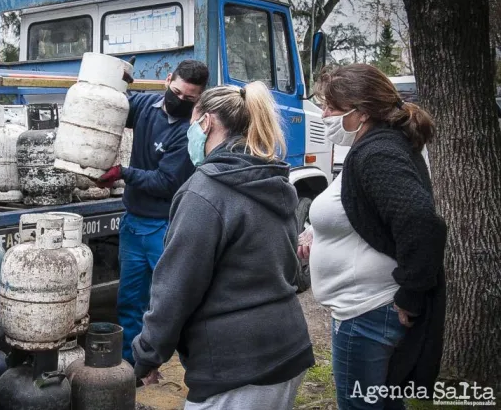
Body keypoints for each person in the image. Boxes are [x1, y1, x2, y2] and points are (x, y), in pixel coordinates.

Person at [132, 81, 315, 409]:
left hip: (238, 366)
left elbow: (175, 290)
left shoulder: (204, 192)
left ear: (207, 122)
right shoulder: (273, 178)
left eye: (192, 123)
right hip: (288, 348)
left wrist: (146, 356)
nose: (190, 133)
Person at [298, 64, 447, 410]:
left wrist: (410, 294)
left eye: (332, 108)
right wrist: (317, 233)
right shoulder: (372, 145)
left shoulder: (379, 153)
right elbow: (366, 213)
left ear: (361, 112)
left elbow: (422, 223)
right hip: (368, 311)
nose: (323, 115)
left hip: (367, 313)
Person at [96, 60, 209, 367]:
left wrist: (122, 172)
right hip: (133, 224)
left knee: (170, 302)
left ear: (200, 98)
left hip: (165, 226)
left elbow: (165, 182)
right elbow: (114, 108)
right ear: (168, 80)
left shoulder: (190, 133)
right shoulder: (146, 104)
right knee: (129, 299)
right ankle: (133, 366)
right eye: (177, 92)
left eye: (190, 99)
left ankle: (184, 363)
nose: (180, 101)